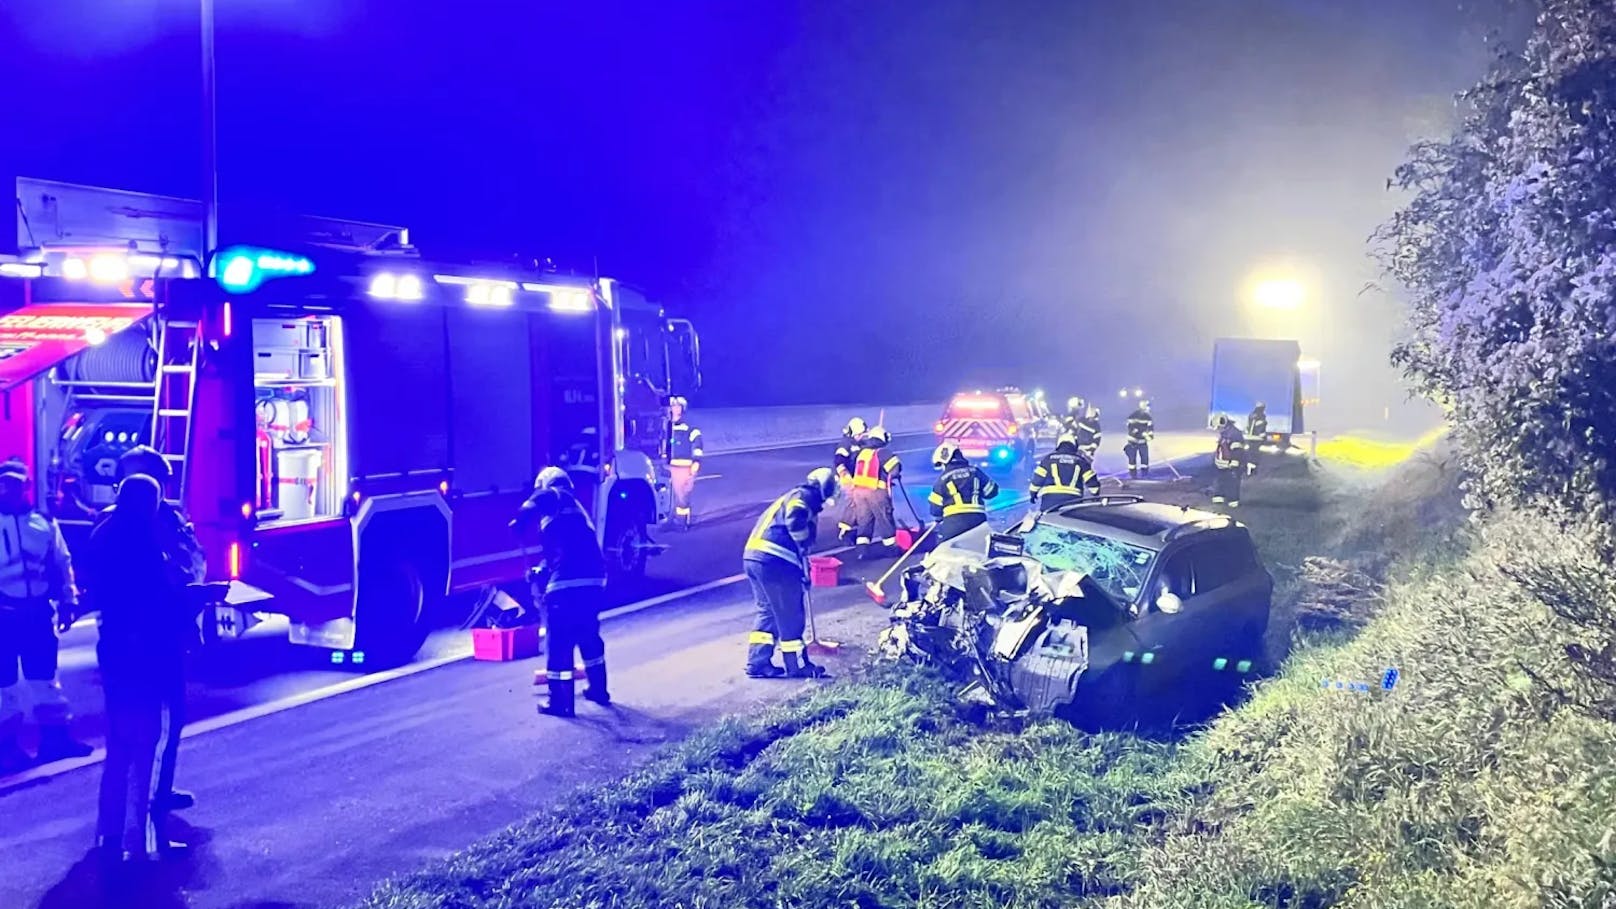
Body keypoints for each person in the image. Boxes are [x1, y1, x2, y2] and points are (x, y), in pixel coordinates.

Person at [99, 446, 206, 819]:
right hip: (145, 639)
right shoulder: (126, 528)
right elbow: (157, 581)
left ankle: (153, 792)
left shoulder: (162, 521)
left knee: (169, 719)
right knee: (143, 726)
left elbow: (193, 561)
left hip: (154, 635)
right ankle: (137, 805)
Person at [86, 474, 187, 861]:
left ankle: (108, 836)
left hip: (115, 648)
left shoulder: (105, 534)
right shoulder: (142, 540)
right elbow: (158, 595)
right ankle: (136, 840)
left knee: (118, 747)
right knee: (143, 744)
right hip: (143, 653)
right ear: (149, 503)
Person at [0, 457, 91, 772]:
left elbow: (61, 564)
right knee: (3, 686)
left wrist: (69, 600)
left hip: (37, 615)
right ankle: (6, 750)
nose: (8, 489)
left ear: (25, 486)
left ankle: (55, 741)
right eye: (4, 483)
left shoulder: (44, 524)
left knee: (45, 680)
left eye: (15, 483)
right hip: (3, 617)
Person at [513, 467, 609, 717]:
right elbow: (561, 555)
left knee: (559, 642)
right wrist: (539, 572)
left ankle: (561, 703)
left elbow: (540, 500)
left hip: (568, 585)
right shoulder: (575, 513)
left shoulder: (557, 496)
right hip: (593, 582)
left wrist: (522, 517)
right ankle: (599, 690)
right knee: (588, 636)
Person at [743, 468, 837, 680]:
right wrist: (803, 544)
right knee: (791, 614)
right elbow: (795, 521)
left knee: (768, 612)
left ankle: (758, 663)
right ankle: (797, 665)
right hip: (776, 561)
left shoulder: (792, 495)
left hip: (754, 558)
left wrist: (802, 566)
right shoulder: (804, 497)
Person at [845, 426, 902, 558]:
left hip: (859, 493)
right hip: (876, 492)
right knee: (885, 519)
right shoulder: (883, 452)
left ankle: (862, 552)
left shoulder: (862, 453)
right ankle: (891, 550)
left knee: (864, 521)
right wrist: (893, 475)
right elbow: (895, 469)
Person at [929, 443, 1000, 541]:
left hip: (953, 524)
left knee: (945, 550)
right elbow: (992, 492)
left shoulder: (942, 480)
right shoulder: (976, 472)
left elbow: (934, 510)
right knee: (980, 548)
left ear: (944, 462)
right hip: (978, 522)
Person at [1028, 433, 1100, 513]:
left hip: (1050, 502)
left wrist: (1033, 493)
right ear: (1074, 445)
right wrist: (1095, 494)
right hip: (1073, 501)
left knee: (1049, 523)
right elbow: (1091, 481)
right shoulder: (1080, 461)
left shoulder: (1048, 459)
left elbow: (1038, 478)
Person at [666, 396, 704, 529]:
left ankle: (682, 522)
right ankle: (671, 520)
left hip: (684, 467)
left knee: (682, 495)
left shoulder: (691, 430)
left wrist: (696, 463)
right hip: (669, 467)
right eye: (673, 407)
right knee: (670, 495)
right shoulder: (667, 429)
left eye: (677, 407)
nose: (675, 410)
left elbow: (697, 447)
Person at [833, 417, 868, 541]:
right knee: (854, 503)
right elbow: (839, 462)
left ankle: (852, 530)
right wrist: (846, 476)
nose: (861, 436)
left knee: (859, 504)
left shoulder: (860, 444)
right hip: (847, 478)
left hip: (857, 478)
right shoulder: (845, 444)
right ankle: (845, 531)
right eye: (859, 434)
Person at [1213, 415, 1247, 507]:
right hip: (1223, 465)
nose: (1218, 430)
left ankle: (1233, 500)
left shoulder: (1234, 434)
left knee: (1232, 482)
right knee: (1222, 480)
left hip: (1231, 464)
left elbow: (1237, 450)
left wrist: (1234, 462)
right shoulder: (1226, 433)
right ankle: (1220, 496)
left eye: (1219, 427)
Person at [1125, 399, 1156, 479]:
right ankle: (1133, 475)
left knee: (1145, 458)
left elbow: (1150, 428)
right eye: (1147, 408)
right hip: (1133, 441)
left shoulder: (1148, 418)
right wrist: (1139, 432)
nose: (1149, 410)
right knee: (1132, 459)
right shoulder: (1133, 415)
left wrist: (1150, 436)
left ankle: (1145, 474)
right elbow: (1131, 428)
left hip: (1142, 442)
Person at [1246, 402, 1269, 474]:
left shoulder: (1251, 415)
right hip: (1257, 438)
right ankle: (1253, 471)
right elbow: (1260, 428)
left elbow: (1248, 426)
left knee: (1250, 453)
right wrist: (1264, 437)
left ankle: (1249, 470)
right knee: (1255, 454)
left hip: (1249, 437)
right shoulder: (1261, 416)